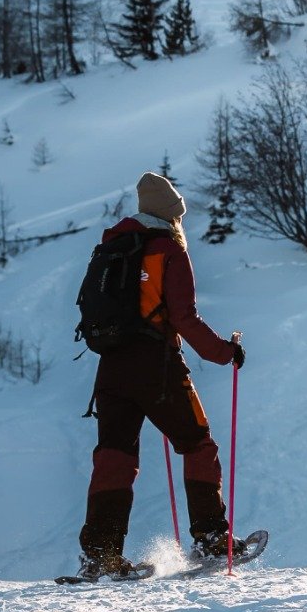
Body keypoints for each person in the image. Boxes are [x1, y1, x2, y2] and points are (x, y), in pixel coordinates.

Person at [77, 170, 246, 577]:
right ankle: (209, 538)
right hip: (156, 365)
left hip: (110, 369)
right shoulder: (167, 250)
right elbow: (184, 318)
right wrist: (226, 353)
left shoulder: (113, 247)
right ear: (172, 215)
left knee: (114, 457)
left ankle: (102, 554)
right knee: (197, 444)